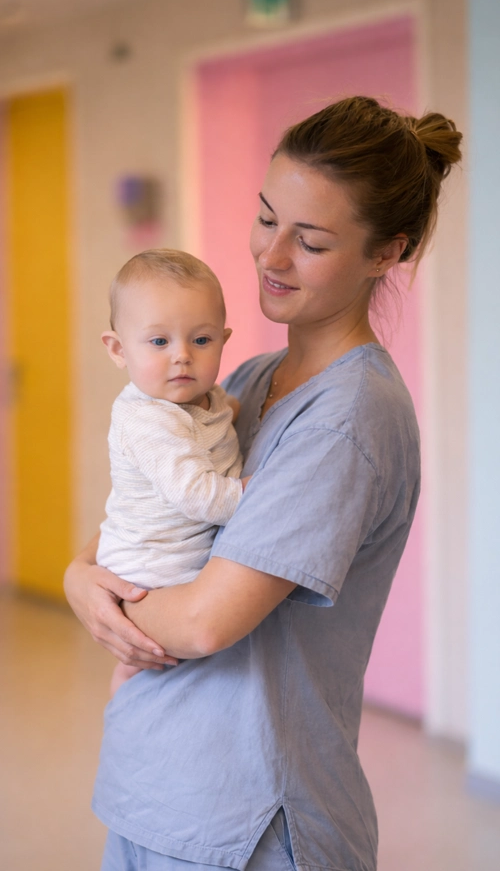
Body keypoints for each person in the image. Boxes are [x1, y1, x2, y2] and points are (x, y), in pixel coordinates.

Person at [64, 96, 462, 871]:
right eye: (266, 217)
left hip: (246, 816)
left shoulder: (347, 419)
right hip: (159, 784)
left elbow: (208, 623)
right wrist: (81, 580)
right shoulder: (245, 376)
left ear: (387, 253)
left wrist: (95, 591)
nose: (270, 257)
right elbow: (127, 525)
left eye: (309, 241)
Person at [97, 249, 246, 694]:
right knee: (156, 661)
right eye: (159, 342)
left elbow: (218, 419)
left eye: (201, 341)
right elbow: (198, 496)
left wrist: (233, 414)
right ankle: (126, 688)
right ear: (119, 349)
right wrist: (251, 492)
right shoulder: (147, 420)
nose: (182, 356)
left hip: (175, 550)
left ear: (223, 339)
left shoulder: (204, 397)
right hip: (152, 568)